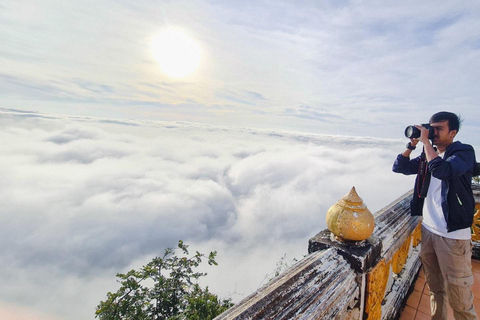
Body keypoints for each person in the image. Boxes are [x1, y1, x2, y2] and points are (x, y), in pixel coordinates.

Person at [392, 111, 477, 320]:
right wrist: (412, 145)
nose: (433, 132)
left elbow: (442, 171)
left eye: (439, 128)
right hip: (429, 231)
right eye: (431, 128)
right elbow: (399, 167)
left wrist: (427, 145)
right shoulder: (427, 157)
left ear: (453, 132)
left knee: (460, 297)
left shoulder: (463, 152)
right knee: (435, 288)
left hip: (453, 236)